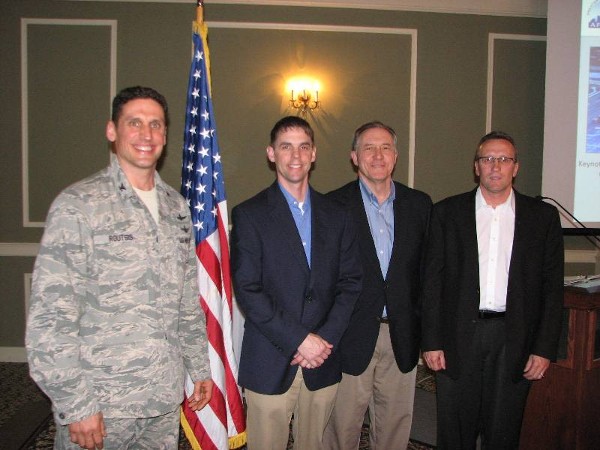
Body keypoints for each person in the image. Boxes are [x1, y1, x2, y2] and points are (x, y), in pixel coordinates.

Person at [26, 86, 213, 450]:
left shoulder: (176, 207)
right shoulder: (80, 205)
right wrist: (76, 405)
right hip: (102, 404)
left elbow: (187, 302)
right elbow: (50, 320)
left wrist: (199, 367)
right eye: (135, 123)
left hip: (161, 398)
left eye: (156, 125)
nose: (147, 134)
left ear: (165, 135)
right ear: (112, 131)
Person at [421, 131, 564, 449]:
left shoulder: (541, 218)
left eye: (504, 159)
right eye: (488, 159)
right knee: (455, 432)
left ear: (516, 167)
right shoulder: (447, 213)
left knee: (503, 432)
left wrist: (543, 349)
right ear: (476, 167)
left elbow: (551, 289)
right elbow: (432, 283)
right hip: (458, 339)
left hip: (514, 339)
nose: (495, 166)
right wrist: (431, 341)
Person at [230, 116, 362, 450]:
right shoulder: (250, 214)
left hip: (324, 359)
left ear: (314, 153)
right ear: (271, 153)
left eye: (304, 146)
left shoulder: (338, 214)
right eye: (286, 146)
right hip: (271, 357)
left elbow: (350, 282)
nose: (295, 155)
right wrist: (300, 340)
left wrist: (323, 341)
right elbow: (248, 288)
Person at [323, 121, 432, 449]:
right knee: (341, 427)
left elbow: (427, 275)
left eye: (385, 147)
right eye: (368, 148)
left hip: (402, 336)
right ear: (354, 157)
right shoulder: (331, 206)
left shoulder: (420, 205)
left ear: (395, 156)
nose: (377, 155)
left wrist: (429, 334)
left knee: (395, 426)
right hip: (349, 335)